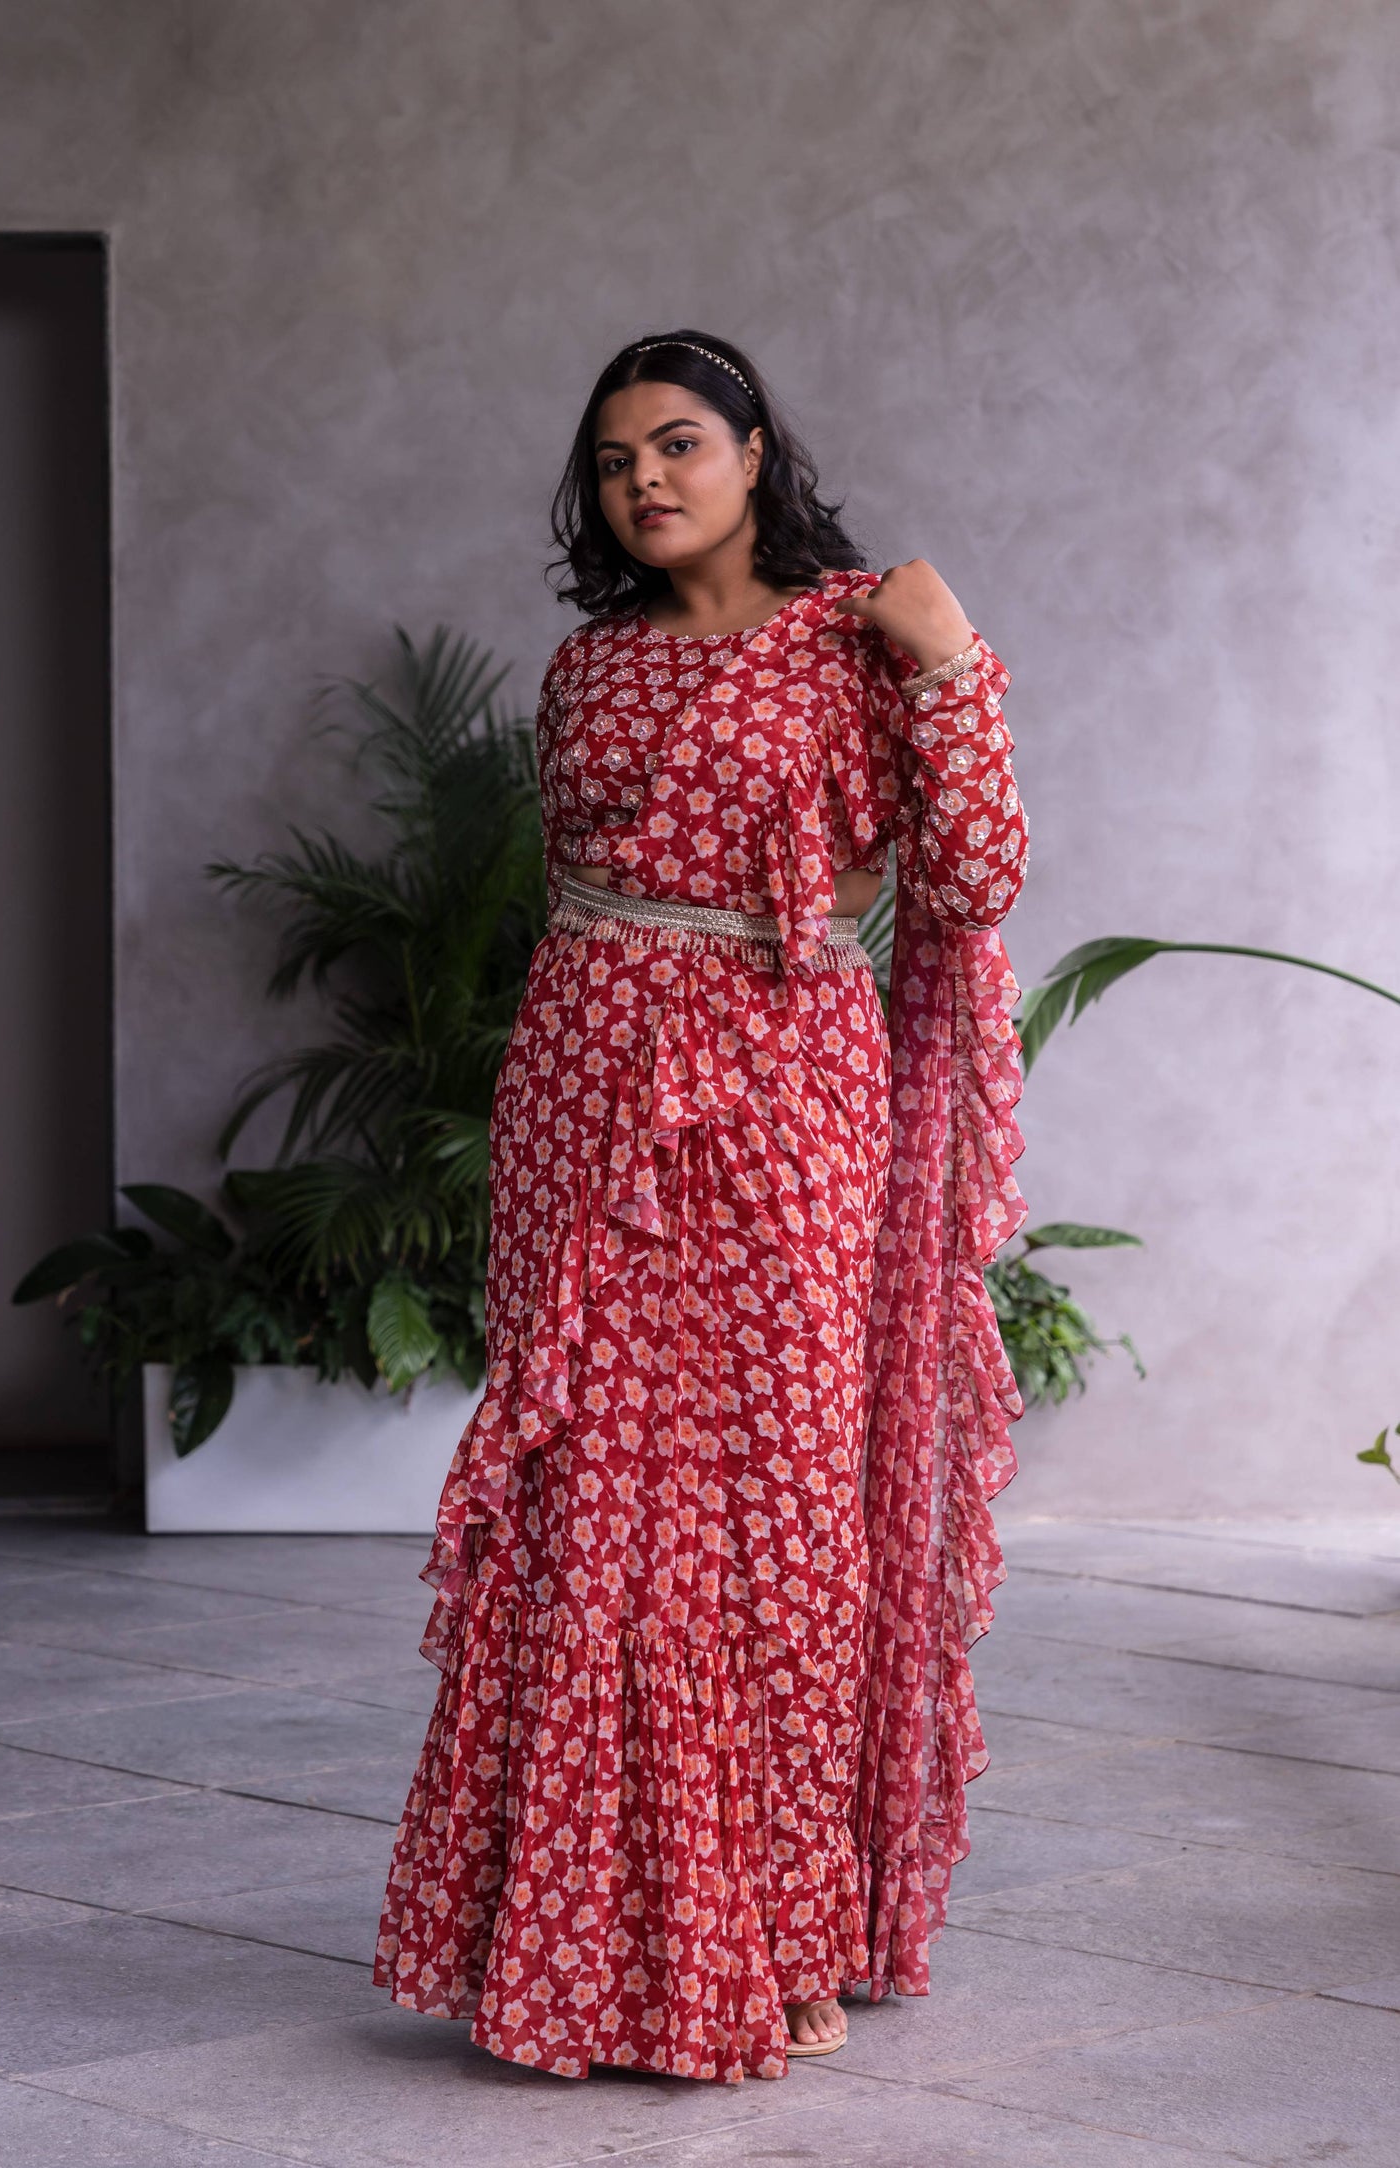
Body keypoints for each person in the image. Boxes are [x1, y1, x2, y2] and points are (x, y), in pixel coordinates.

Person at [373, 330, 1028, 2082]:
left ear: (756, 454)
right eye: (611, 461)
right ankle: (575, 1941)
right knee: (588, 1500)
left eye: (677, 445)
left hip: (780, 1098)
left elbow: (969, 876)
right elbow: (592, 896)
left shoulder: (857, 642)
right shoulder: (586, 672)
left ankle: (783, 1932)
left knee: (775, 1510)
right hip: (581, 1094)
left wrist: (951, 660)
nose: (644, 481)